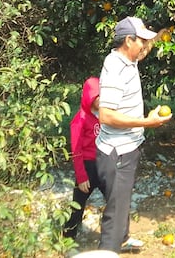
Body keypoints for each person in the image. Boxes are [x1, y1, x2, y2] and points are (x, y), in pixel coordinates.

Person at [96, 16, 172, 253]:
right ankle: (109, 248)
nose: (144, 46)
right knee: (115, 212)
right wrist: (146, 122)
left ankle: (123, 238)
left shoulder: (128, 59)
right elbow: (106, 116)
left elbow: (145, 49)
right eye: (140, 41)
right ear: (128, 41)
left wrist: (161, 33)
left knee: (122, 200)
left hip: (126, 149)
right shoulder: (116, 68)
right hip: (117, 153)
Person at [62, 76, 103, 240]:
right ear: (89, 98)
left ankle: (120, 235)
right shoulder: (80, 120)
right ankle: (68, 237)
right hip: (88, 166)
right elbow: (76, 149)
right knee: (77, 206)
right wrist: (81, 176)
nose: (101, 100)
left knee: (116, 199)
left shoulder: (105, 115)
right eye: (97, 96)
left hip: (104, 164)